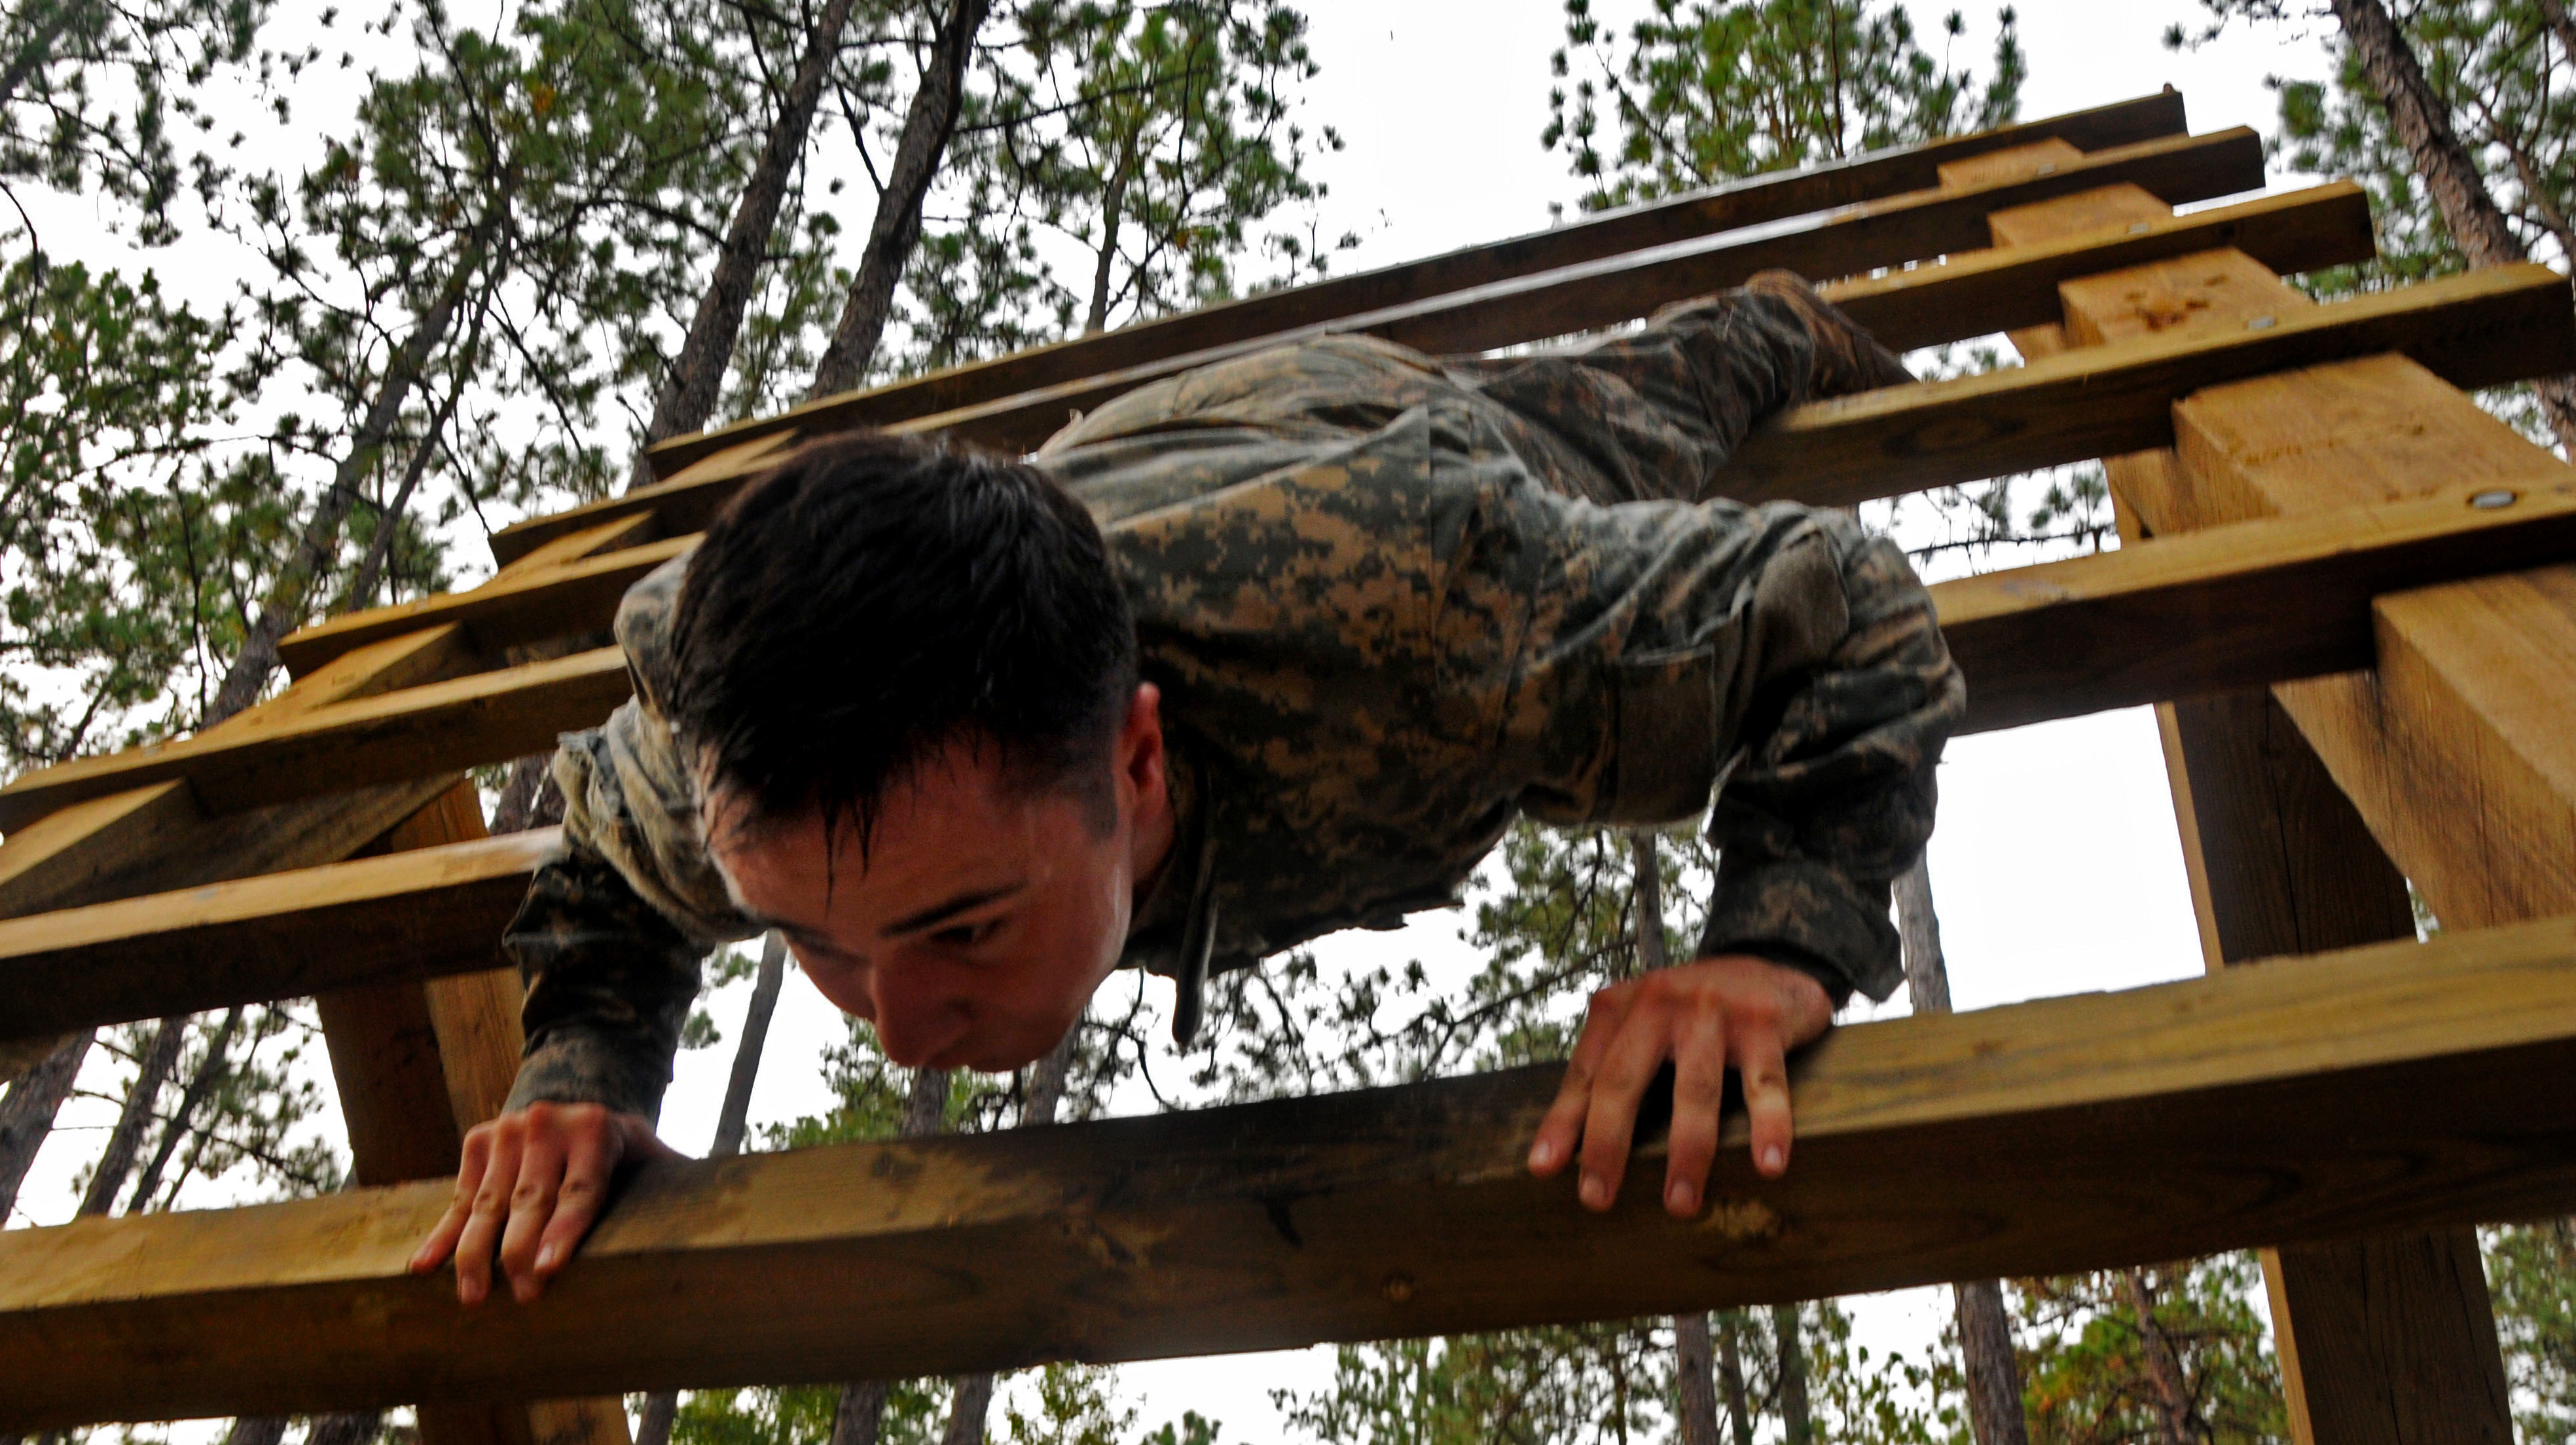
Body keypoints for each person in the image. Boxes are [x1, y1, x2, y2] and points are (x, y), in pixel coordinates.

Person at [410, 270, 1964, 1306]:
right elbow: (603, 869)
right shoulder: (725, 779)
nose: (896, 1029)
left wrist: (1776, 940)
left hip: (1369, 433)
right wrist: (580, 1077)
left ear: (1136, 757)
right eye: (815, 941)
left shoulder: (1443, 611)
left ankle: (1771, 313)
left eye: (960, 927)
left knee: (1680, 397)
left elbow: (1849, 598)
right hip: (1124, 457)